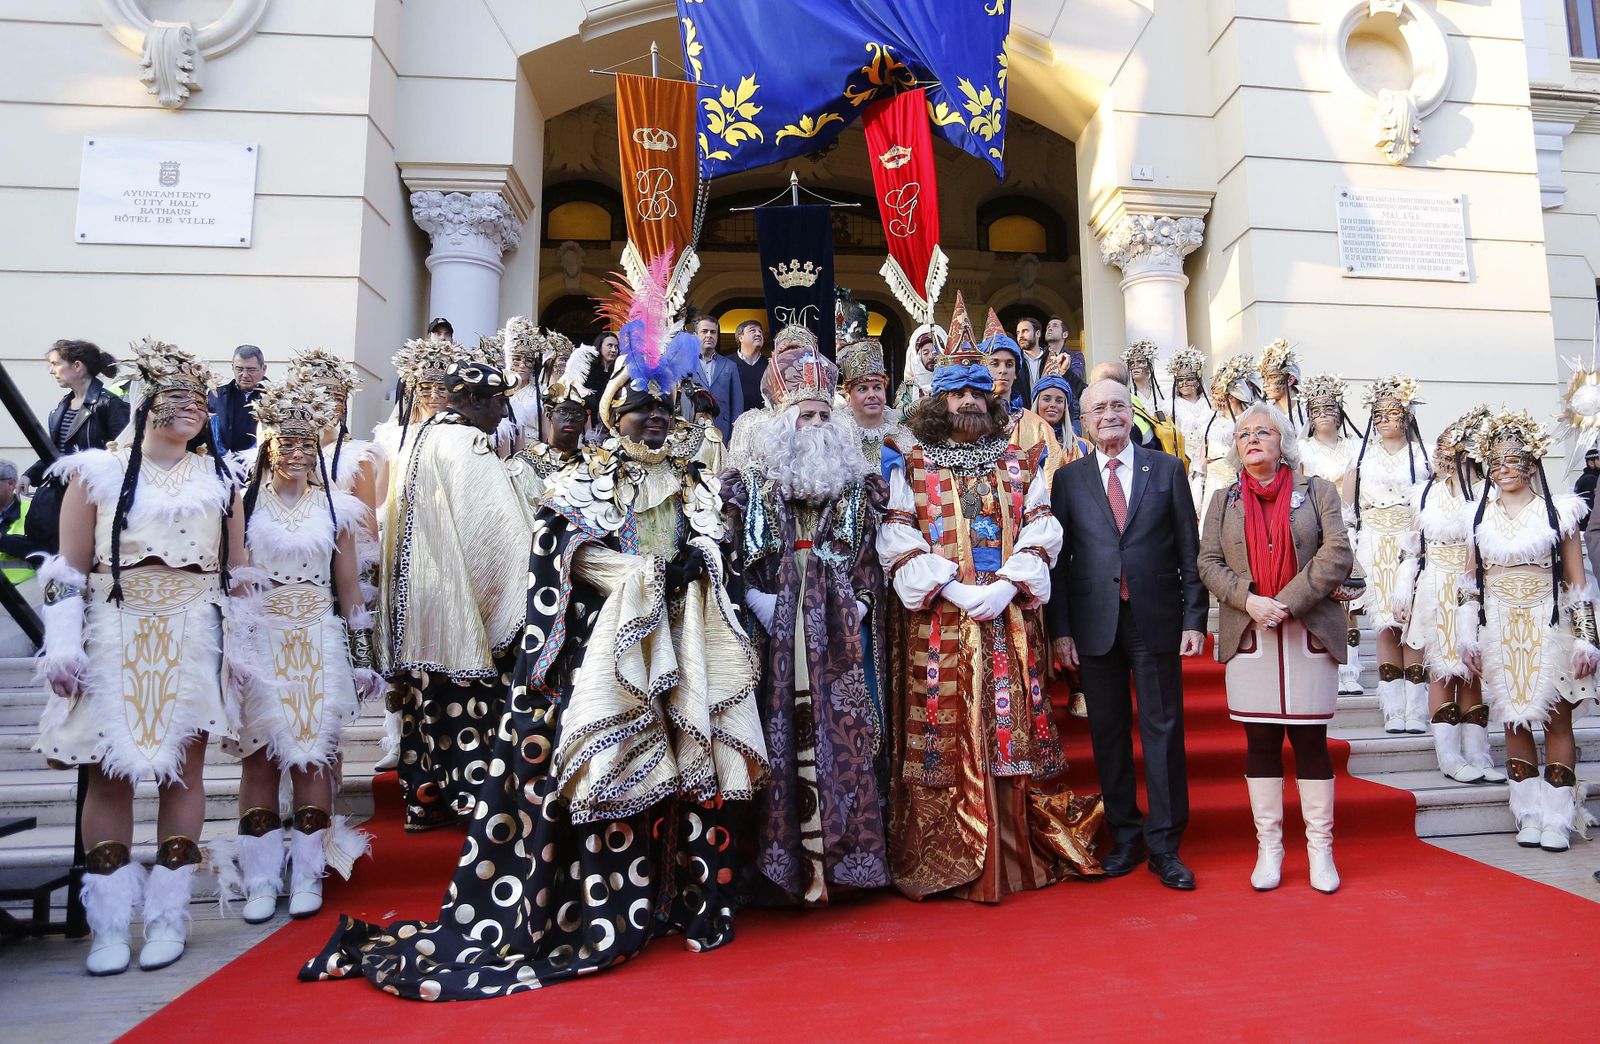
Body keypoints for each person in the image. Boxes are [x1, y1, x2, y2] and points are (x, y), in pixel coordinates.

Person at [302, 269, 767, 1000]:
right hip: (602, 656)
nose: (652, 419)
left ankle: (685, 898)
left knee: (686, 771)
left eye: (662, 408)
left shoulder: (695, 479)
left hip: (683, 646)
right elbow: (555, 554)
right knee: (611, 772)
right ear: (615, 414)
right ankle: (614, 907)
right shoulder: (579, 478)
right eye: (638, 408)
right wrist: (632, 576)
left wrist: (694, 565)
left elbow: (714, 543)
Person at [36, 338, 247, 975]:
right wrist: (65, 640)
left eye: (198, 397)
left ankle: (167, 915)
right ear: (146, 400)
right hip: (113, 625)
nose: (190, 407)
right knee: (110, 770)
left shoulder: (222, 478)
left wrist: (242, 651)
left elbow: (238, 575)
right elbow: (65, 571)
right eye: (175, 395)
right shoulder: (95, 471)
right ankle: (108, 925)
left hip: (191, 626)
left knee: (185, 766)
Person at [877, 341, 1102, 902]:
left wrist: (1005, 586)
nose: (969, 402)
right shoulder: (910, 462)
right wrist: (949, 586)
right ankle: (946, 851)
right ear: (938, 401)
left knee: (1008, 732)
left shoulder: (1019, 461)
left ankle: (1011, 852)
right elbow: (896, 533)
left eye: (978, 391)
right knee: (943, 731)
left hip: (1007, 619)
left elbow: (1043, 529)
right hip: (939, 623)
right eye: (957, 393)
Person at [721, 346, 889, 905]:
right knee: (776, 732)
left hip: (836, 624)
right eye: (805, 416)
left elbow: (870, 553)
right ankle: (779, 870)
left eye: (823, 416)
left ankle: (844, 866)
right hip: (774, 620)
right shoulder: (750, 485)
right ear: (784, 422)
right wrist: (754, 597)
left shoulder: (858, 486)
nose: (815, 426)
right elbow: (732, 555)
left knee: (842, 733)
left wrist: (862, 599)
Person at [225, 380, 377, 924]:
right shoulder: (241, 503)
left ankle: (309, 870)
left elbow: (352, 592)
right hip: (261, 634)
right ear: (266, 445)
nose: (294, 453)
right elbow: (235, 579)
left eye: (304, 443)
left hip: (316, 634)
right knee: (261, 757)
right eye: (284, 443)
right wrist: (235, 652)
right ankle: (262, 877)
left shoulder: (337, 507)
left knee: (312, 752)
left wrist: (362, 658)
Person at [1049, 378, 1208, 890]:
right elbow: (1059, 561)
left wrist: (1194, 618)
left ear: (1131, 413)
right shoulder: (1068, 479)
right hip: (1095, 624)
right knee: (1108, 734)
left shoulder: (1166, 468)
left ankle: (1165, 846)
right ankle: (1126, 837)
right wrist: (1062, 630)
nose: (1110, 415)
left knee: (1163, 732)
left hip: (1155, 618)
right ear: (1085, 419)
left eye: (1119, 405)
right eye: (1099, 409)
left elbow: (1190, 549)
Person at [1198, 402, 1352, 893]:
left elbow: (1336, 553)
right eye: (1244, 434)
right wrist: (1249, 600)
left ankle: (1320, 851)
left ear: (1281, 441)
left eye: (1263, 432)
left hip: (1305, 630)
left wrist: (1283, 602)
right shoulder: (1223, 500)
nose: (1253, 440)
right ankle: (1270, 849)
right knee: (1260, 741)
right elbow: (1208, 561)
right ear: (1235, 446)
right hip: (1251, 633)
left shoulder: (1318, 491)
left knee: (1309, 741)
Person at [375, 356, 532, 831]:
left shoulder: (420, 437)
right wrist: (522, 590)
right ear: (472, 401)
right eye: (498, 403)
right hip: (456, 604)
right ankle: (474, 804)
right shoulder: (468, 444)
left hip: (417, 602)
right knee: (470, 708)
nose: (504, 414)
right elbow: (497, 535)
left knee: (424, 704)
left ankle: (425, 802)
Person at [1460, 410, 1597, 852]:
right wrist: (1465, 630)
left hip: (1548, 623)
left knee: (1557, 719)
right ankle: (1528, 814)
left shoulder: (1562, 512)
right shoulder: (1477, 516)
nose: (1503, 469)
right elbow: (1469, 584)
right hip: (1500, 626)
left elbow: (1578, 584)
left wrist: (1587, 636)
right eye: (1496, 462)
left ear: (1533, 461)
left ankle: (1558, 817)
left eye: (1513, 460)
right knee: (1514, 718)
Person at [1393, 408, 1505, 784]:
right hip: (1437, 584)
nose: (1439, 456)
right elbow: (1411, 548)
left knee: (1473, 671)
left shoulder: (1489, 495)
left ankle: (1477, 751)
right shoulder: (1425, 492)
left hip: (1476, 588)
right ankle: (1449, 755)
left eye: (1448, 449)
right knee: (1443, 667)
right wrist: (1402, 585)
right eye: (1438, 448)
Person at [1349, 374, 1430, 734]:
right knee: (1384, 622)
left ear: (1407, 415)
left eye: (1391, 413)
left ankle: (1416, 708)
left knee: (1412, 623)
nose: (1384, 420)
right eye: (1377, 414)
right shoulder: (1361, 455)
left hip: (1410, 542)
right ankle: (1393, 708)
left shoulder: (1424, 455)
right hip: (1375, 540)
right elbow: (1349, 507)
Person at [1297, 374, 1365, 696]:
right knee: (1322, 599)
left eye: (1328, 408)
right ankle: (1326, 666)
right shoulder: (1302, 450)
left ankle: (1350, 667)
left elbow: (1353, 490)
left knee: (1348, 600)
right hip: (1314, 526)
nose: (1323, 414)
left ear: (1339, 411)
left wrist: (1347, 524)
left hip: (1346, 525)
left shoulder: (1354, 447)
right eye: (1316, 409)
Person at [29, 339, 130, 489]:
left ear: (77, 366)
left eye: (56, 363)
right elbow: (56, 453)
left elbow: (125, 454)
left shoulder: (110, 404)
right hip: (61, 491)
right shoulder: (62, 406)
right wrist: (29, 475)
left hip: (92, 492)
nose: (51, 370)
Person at [972, 301, 1062, 465]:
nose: (1003, 370)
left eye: (1009, 364)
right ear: (982, 369)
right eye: (994, 363)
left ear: (1015, 373)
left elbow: (1050, 480)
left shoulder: (1038, 427)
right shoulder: (967, 420)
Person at [838, 336, 912, 479]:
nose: (872, 395)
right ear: (849, 396)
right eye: (862, 389)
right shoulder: (839, 436)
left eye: (877, 388)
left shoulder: (904, 437)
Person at [1200, 353, 1259, 515]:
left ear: (1232, 396)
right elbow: (1204, 456)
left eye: (1219, 392)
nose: (1215, 397)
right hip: (1213, 480)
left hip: (1236, 478)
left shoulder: (1247, 420)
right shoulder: (1211, 421)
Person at [682, 314, 743, 443]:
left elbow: (737, 404)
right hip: (692, 429)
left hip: (723, 431)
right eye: (704, 331)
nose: (709, 335)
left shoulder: (730, 366)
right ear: (695, 335)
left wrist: (735, 437)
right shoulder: (684, 364)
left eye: (713, 332)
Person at [1167, 347, 1211, 519]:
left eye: (1189, 379)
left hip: (1206, 457)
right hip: (1183, 458)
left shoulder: (1209, 404)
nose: (1184, 384)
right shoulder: (1170, 406)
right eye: (1180, 380)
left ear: (1198, 381)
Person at [209, 344, 268, 454]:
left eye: (251, 370)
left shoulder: (275, 398)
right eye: (239, 369)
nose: (244, 375)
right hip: (223, 464)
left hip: (261, 465)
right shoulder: (216, 395)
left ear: (263, 369)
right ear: (232, 367)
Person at [893, 322, 943, 414]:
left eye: (935, 352)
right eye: (926, 353)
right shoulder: (909, 387)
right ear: (919, 356)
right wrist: (924, 401)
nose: (931, 357)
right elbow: (900, 415)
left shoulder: (951, 382)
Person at [1258, 339, 1304, 428]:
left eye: (1272, 377)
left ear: (1290, 380)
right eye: (1264, 378)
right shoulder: (1264, 413)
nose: (1265, 384)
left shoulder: (1307, 410)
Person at [732, 318, 767, 426]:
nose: (758, 334)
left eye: (760, 331)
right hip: (734, 426)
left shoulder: (771, 365)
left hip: (764, 426)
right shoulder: (726, 364)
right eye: (753, 330)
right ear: (740, 337)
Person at [1016, 315, 1046, 397]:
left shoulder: (1051, 359)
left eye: (1025, 331)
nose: (1020, 336)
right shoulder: (1015, 361)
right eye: (1018, 332)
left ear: (1038, 333)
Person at [1575, 448, 1600, 525]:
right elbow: (1591, 506)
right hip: (1590, 527)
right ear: (1591, 463)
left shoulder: (1594, 477)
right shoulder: (1589, 480)